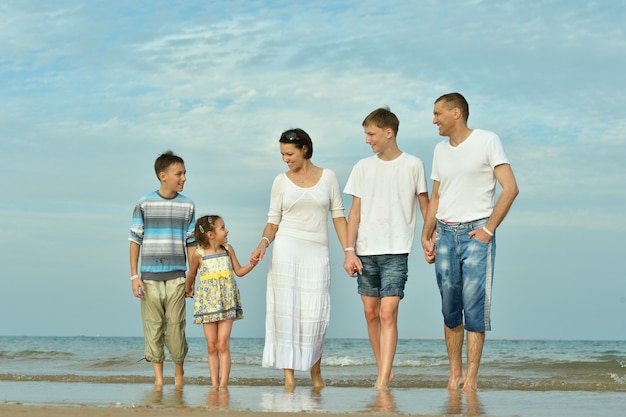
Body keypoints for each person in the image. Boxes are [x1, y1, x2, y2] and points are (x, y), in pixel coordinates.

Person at [421, 92, 519, 392]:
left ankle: (471, 381)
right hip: (445, 234)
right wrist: (426, 235)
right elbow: (436, 196)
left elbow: (510, 188)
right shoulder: (439, 150)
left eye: (438, 113)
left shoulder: (488, 140)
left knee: (474, 310)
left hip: (477, 233)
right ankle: (455, 375)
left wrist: (489, 229)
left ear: (456, 113)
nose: (434, 119)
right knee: (450, 309)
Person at [251, 128, 348, 390]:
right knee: (287, 313)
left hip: (317, 251)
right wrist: (263, 244)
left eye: (289, 153)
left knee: (316, 315)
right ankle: (289, 378)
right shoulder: (280, 181)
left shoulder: (329, 177)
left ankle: (316, 372)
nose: (285, 158)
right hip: (285, 249)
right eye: (282, 154)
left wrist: (349, 251)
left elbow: (338, 216)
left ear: (304, 149)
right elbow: (273, 221)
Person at [343, 107, 429, 390]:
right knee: (370, 312)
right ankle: (385, 370)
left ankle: (381, 379)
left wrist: (429, 237)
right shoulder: (362, 168)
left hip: (396, 251)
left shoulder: (414, 165)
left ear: (388, 132)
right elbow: (354, 213)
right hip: (365, 251)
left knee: (388, 312)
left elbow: (425, 206)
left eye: (371, 134)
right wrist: (349, 251)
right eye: (366, 134)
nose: (368, 140)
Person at [129, 150, 196, 389]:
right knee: (153, 328)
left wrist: (191, 278)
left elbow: (191, 243)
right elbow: (135, 240)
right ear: (163, 175)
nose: (184, 178)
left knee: (176, 327)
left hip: (178, 277)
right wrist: (134, 276)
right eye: (179, 174)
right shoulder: (144, 202)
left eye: (185, 173)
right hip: (149, 279)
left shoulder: (188, 205)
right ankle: (158, 380)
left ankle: (178, 373)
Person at [185, 215, 257, 389]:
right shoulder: (198, 254)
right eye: (223, 228)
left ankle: (223, 385)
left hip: (226, 303)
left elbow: (238, 271)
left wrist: (252, 264)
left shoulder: (227, 249)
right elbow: (192, 274)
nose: (227, 231)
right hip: (208, 303)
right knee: (211, 346)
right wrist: (188, 288)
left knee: (222, 343)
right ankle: (214, 385)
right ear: (210, 234)